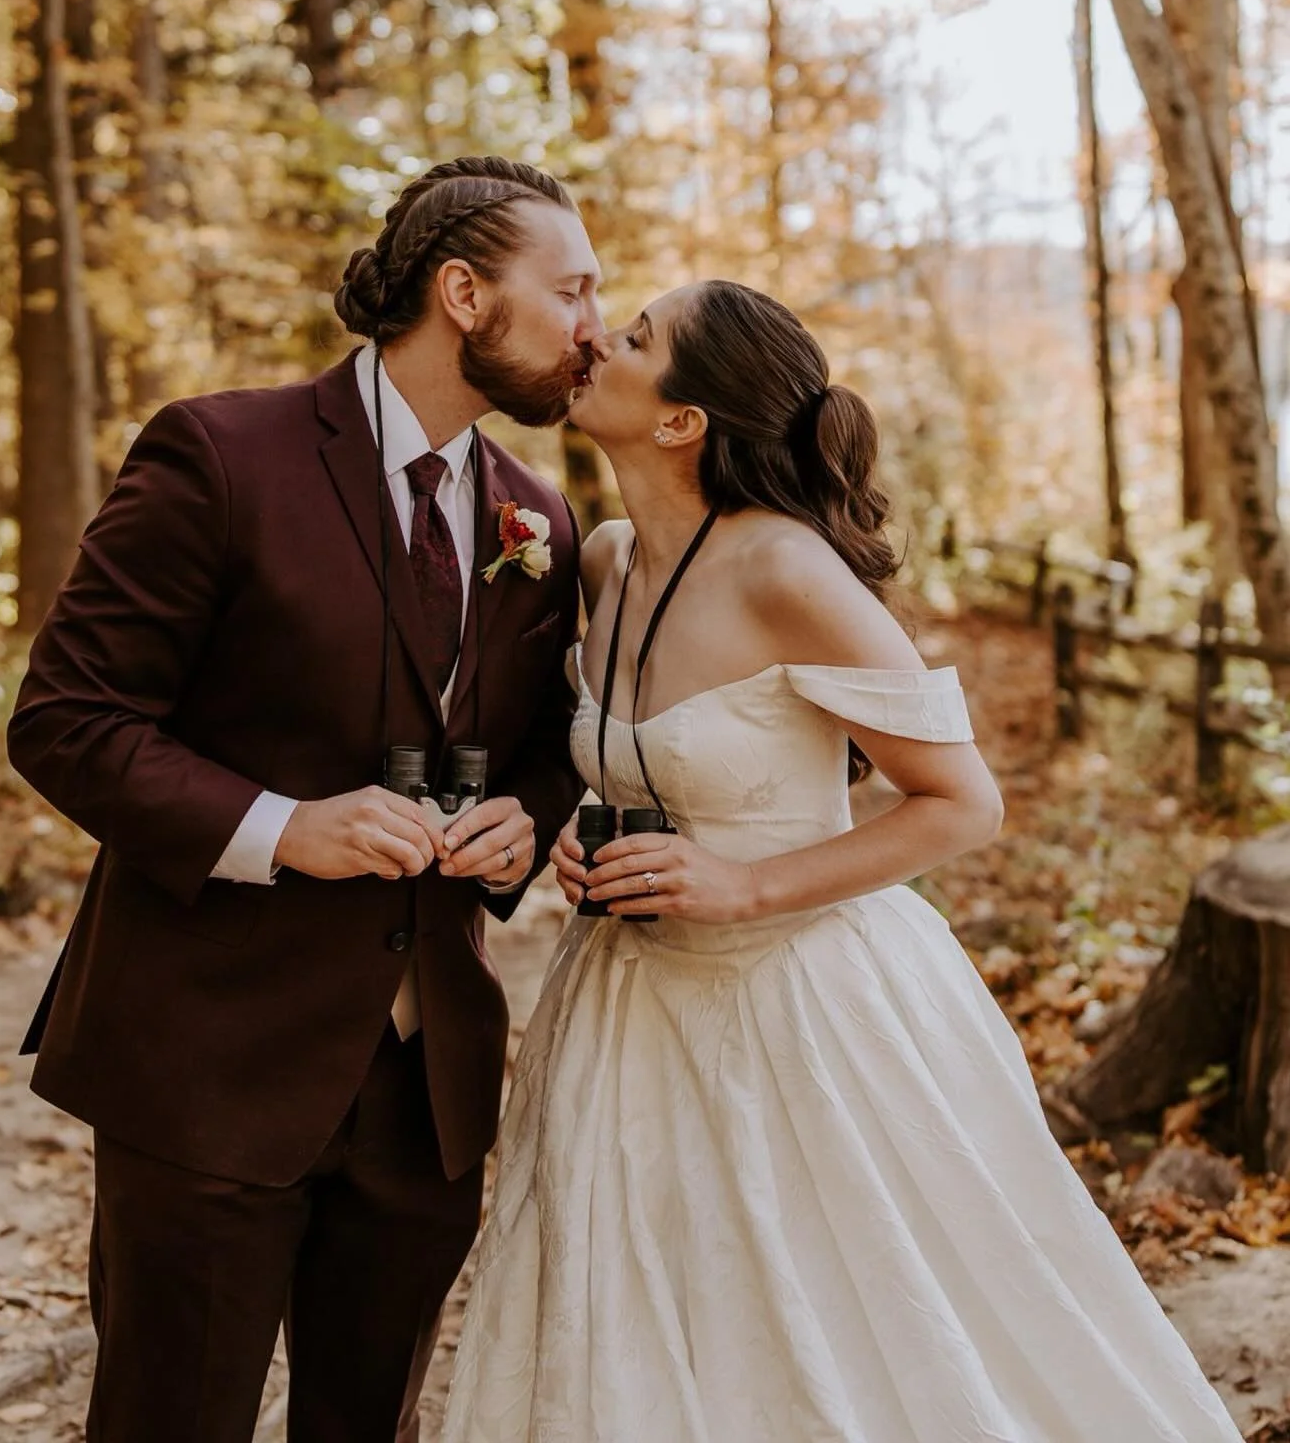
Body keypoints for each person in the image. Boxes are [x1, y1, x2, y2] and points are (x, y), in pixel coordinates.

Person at [442, 279, 1240, 1442]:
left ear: (682, 421)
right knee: (647, 1312)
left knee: (849, 1318)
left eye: (633, 337)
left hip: (803, 1009)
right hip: (627, 1013)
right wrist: (586, 828)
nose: (594, 342)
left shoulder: (787, 572)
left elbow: (963, 801)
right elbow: (639, 762)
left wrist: (746, 885)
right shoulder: (607, 562)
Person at [6, 157, 604, 1443]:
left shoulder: (537, 518)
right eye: (570, 291)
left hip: (425, 1087)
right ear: (464, 294)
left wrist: (522, 819)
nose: (594, 327)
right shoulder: (221, 453)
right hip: (207, 1062)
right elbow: (68, 721)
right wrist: (285, 831)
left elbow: (544, 745)